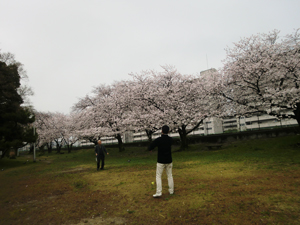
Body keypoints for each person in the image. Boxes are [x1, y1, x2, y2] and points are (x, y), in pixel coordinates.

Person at [148, 125, 174, 198]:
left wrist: (150, 149)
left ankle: (159, 192)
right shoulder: (170, 139)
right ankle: (171, 190)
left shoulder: (159, 140)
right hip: (169, 160)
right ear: (168, 131)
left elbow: (151, 146)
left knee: (158, 176)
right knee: (170, 175)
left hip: (161, 161)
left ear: (161, 131)